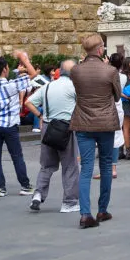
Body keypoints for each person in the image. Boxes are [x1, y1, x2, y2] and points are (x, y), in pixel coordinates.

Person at [70, 33, 121, 228]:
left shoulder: (76, 70)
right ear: (100, 50)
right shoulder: (110, 71)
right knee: (106, 165)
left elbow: (79, 92)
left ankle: (85, 214)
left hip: (83, 122)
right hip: (106, 122)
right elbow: (117, 97)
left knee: (86, 169)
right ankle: (102, 210)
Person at [25, 58, 80, 213]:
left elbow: (29, 102)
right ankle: (69, 202)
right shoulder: (74, 87)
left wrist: (40, 116)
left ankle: (38, 194)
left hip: (48, 128)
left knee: (47, 165)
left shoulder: (48, 86)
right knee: (70, 166)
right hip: (66, 128)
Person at [0, 52, 36, 198]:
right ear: (5, 69)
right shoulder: (12, 85)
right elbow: (33, 74)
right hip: (10, 125)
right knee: (16, 155)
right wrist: (24, 59)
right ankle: (24, 185)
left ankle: (0, 188)